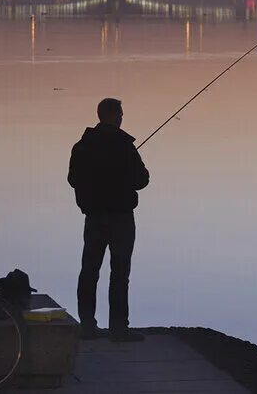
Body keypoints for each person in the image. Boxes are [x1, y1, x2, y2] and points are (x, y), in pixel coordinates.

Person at [68, 98, 149, 342]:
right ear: (114, 116)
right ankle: (117, 329)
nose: (122, 118)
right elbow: (142, 180)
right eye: (121, 114)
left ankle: (87, 326)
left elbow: (73, 179)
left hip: (93, 217)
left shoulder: (82, 146)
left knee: (89, 270)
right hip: (121, 218)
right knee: (120, 273)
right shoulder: (124, 146)